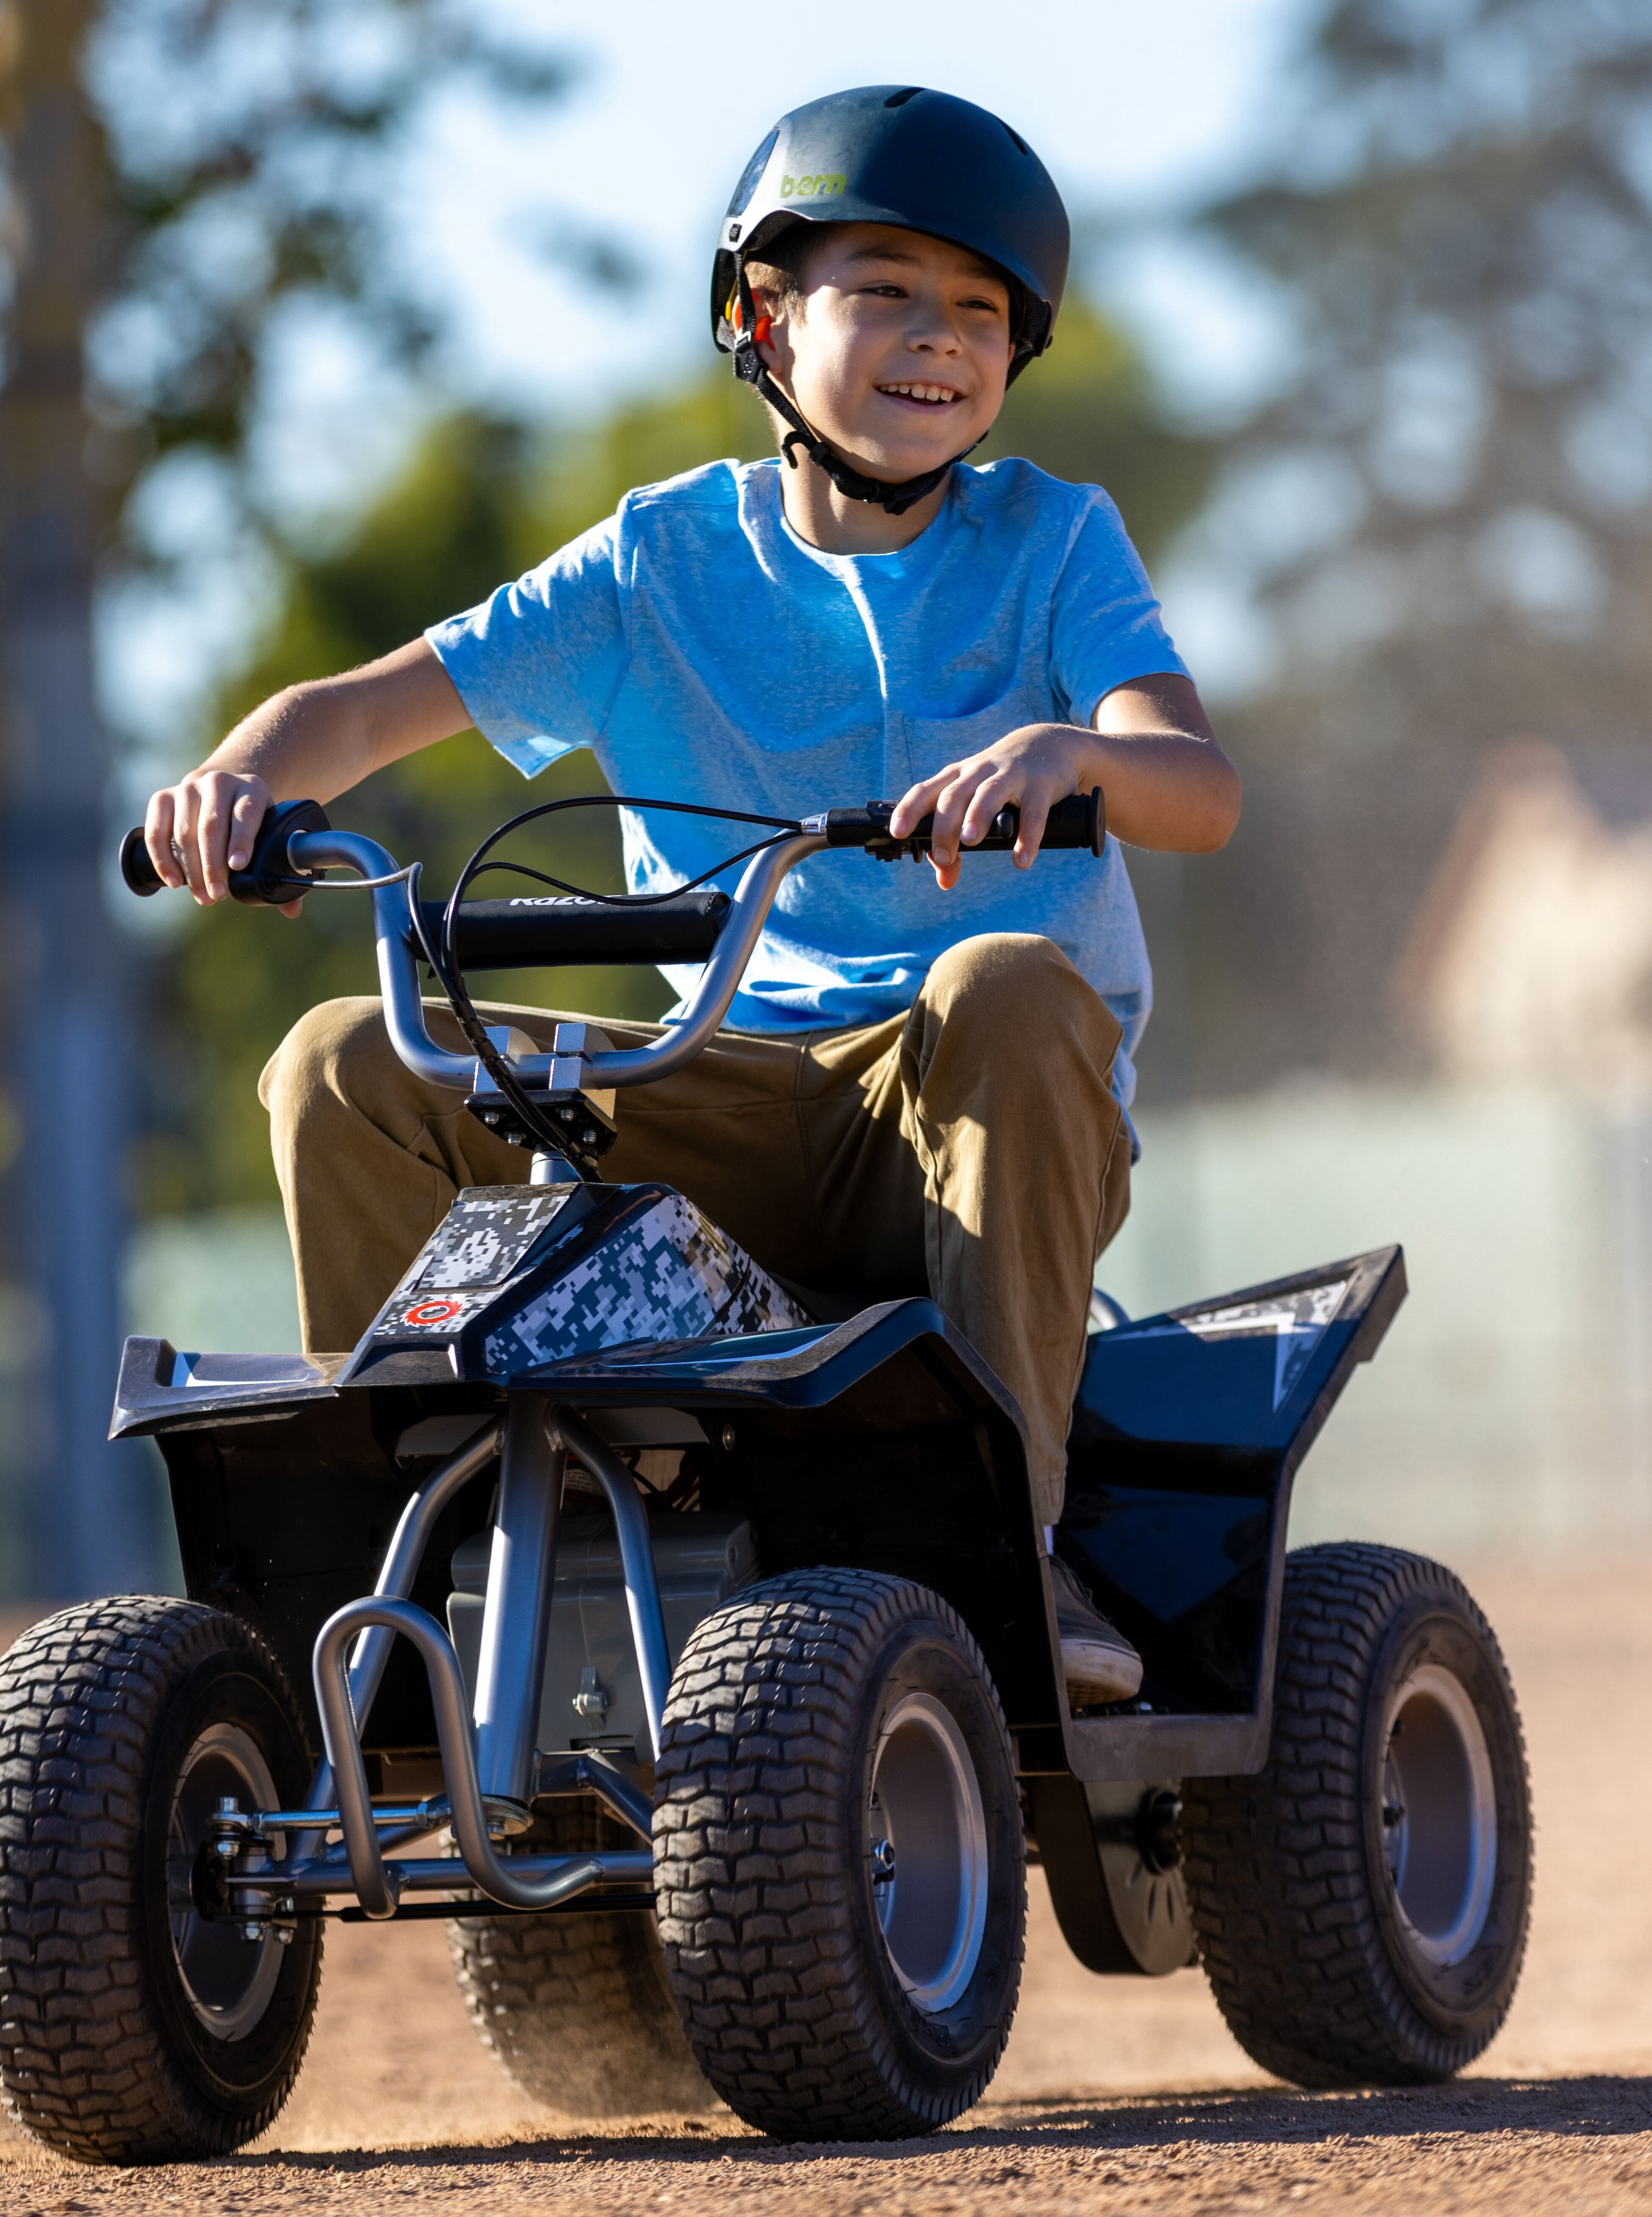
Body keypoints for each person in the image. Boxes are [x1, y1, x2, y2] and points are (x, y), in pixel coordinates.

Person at [140, 86, 1239, 1705]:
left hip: (958, 1111)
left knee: (1000, 980)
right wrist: (241, 774)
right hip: (716, 1091)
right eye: (886, 291)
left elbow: (1196, 790)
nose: (937, 339)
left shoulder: (1054, 542)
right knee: (342, 1061)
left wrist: (1075, 753)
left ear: (1017, 356)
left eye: (979, 309)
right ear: (763, 318)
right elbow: (364, 712)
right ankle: (400, 1593)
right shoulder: (658, 565)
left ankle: (1017, 1562)